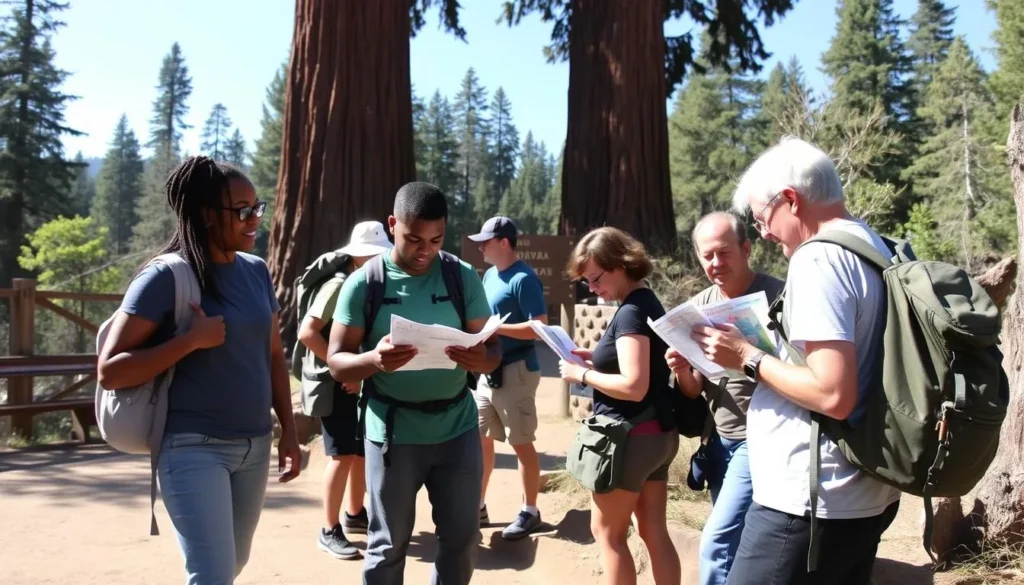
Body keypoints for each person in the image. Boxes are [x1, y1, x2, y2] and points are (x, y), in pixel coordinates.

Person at [691, 137, 901, 585]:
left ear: (790, 199)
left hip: (808, 501)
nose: (764, 232)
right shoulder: (874, 246)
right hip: (863, 491)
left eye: (763, 218)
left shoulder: (819, 258)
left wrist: (745, 356)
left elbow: (832, 393)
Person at [97, 156, 302, 585]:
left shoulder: (257, 271)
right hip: (192, 447)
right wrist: (190, 339)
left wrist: (289, 431)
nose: (254, 219)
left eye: (257, 207)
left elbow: (274, 357)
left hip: (255, 447)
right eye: (242, 211)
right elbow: (111, 372)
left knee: (232, 566)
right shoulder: (166, 277)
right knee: (211, 576)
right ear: (208, 215)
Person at [326, 182, 502, 585]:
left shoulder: (461, 277)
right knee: (388, 545)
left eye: (436, 240)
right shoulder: (365, 283)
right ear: (392, 225)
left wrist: (482, 357)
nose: (425, 250)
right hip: (392, 434)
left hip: (457, 430)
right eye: (413, 239)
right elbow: (337, 362)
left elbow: (493, 348)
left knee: (462, 539)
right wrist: (374, 359)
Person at [665, 212, 784, 585]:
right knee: (736, 541)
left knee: (716, 542)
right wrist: (682, 369)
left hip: (763, 438)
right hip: (718, 439)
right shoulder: (698, 306)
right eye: (707, 256)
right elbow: (693, 389)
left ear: (746, 248)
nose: (715, 264)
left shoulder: (779, 296)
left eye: (723, 253)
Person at [558, 227, 681, 585]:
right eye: (586, 282)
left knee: (608, 534)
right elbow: (642, 370)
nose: (592, 288)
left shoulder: (630, 313)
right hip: (656, 434)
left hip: (630, 439)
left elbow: (633, 385)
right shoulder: (645, 302)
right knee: (654, 530)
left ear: (622, 265)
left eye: (595, 278)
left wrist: (581, 375)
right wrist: (596, 361)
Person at [298, 220, 393, 560]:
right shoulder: (341, 285)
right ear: (360, 255)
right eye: (375, 255)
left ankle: (355, 514)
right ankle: (329, 529)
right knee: (340, 455)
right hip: (335, 382)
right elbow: (308, 332)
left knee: (358, 451)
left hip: (353, 381)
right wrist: (341, 370)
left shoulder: (364, 283)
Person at [467, 216, 548, 540]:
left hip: (516, 371)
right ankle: (479, 506)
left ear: (503, 242)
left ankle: (530, 511)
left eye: (485, 241)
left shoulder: (524, 278)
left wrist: (495, 329)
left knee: (520, 443)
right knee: (481, 440)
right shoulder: (489, 275)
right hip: (489, 372)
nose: (480, 247)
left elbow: (539, 326)